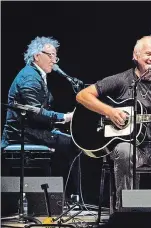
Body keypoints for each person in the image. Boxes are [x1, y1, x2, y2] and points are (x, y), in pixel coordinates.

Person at [75, 36, 151, 209]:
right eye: (149, 54)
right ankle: (125, 212)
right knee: (124, 150)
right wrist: (110, 111)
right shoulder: (121, 80)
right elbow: (82, 96)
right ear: (135, 56)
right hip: (128, 147)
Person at [1, 36, 81, 198]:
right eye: (50, 55)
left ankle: (61, 196)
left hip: (32, 132)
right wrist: (65, 117)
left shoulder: (36, 74)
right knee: (73, 144)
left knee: (69, 144)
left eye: (55, 56)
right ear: (37, 56)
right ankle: (62, 196)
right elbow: (35, 114)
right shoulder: (30, 77)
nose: (54, 61)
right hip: (22, 135)